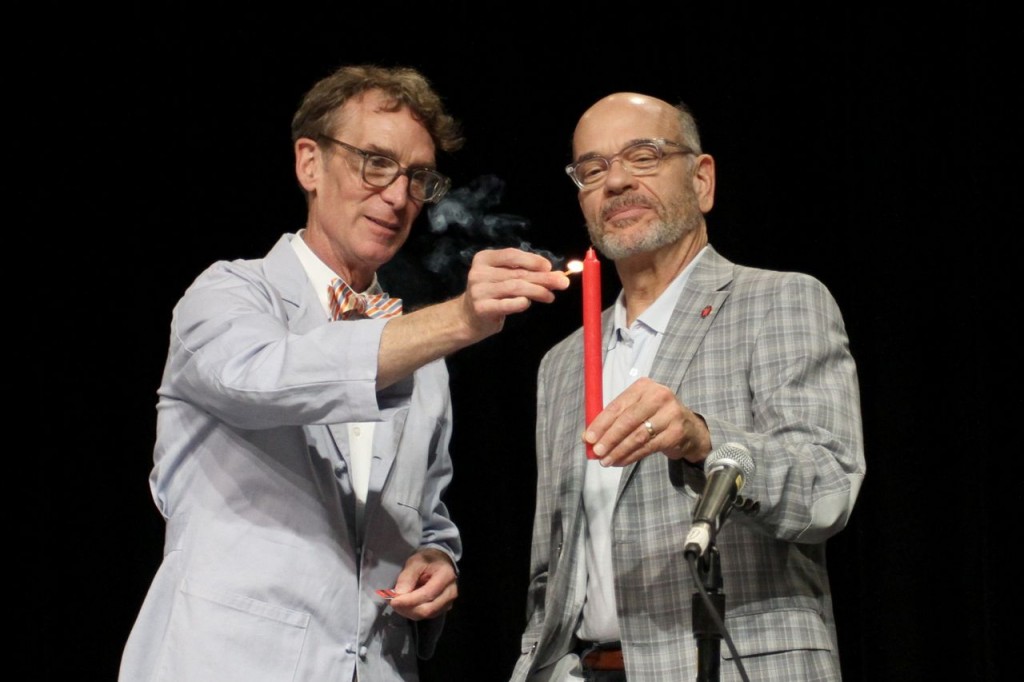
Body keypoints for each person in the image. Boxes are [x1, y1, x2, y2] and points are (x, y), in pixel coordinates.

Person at [119, 64, 569, 682]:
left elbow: (426, 511)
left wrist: (437, 559)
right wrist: (460, 320)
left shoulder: (421, 358)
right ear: (309, 163)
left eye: (417, 178)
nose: (397, 196)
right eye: (374, 162)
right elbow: (269, 377)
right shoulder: (227, 296)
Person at [509, 92, 865, 681]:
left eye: (642, 156)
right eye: (592, 169)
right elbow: (553, 570)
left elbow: (827, 487)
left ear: (702, 180)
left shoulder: (780, 302)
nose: (616, 180)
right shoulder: (562, 364)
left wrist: (702, 439)